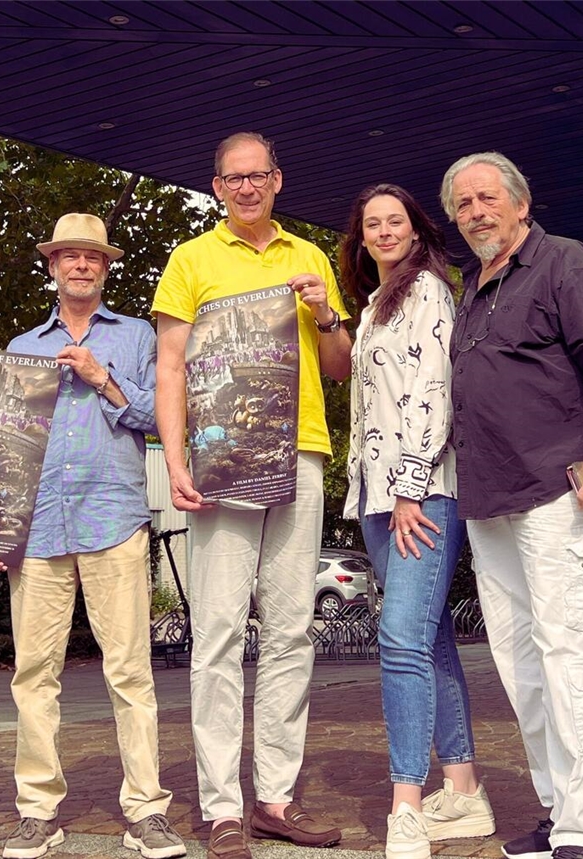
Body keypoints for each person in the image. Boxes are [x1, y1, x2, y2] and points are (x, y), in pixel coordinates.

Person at [152, 131, 351, 859]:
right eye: (232, 178)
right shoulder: (190, 260)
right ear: (215, 186)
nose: (245, 187)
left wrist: (326, 311)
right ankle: (220, 808)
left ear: (277, 179)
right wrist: (174, 461)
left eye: (256, 175)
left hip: (300, 452)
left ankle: (274, 797)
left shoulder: (309, 255)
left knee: (294, 629)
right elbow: (169, 369)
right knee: (218, 634)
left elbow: (338, 366)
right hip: (221, 460)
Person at [439, 152, 583, 859]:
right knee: (522, 664)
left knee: (572, 655)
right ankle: (560, 808)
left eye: (488, 198)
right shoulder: (473, 285)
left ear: (521, 203)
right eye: (463, 205)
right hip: (492, 502)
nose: (476, 213)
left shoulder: (565, 263)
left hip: (560, 492)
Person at [0, 213, 185, 859]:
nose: (81, 266)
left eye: (92, 257)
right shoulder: (22, 344)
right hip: (41, 528)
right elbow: (9, 444)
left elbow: (161, 418)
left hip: (113, 519)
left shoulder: (137, 336)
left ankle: (147, 810)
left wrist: (104, 378)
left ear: (106, 268)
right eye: (69, 256)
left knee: (131, 671)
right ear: (52, 266)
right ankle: (37, 812)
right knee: (33, 674)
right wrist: (1, 525)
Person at [338, 184, 496, 859]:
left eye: (394, 220)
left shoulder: (429, 289)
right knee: (428, 641)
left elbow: (433, 393)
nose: (383, 231)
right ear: (361, 236)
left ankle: (407, 802)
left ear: (415, 229)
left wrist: (408, 489)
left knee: (400, 638)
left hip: (421, 491)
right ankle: (461, 790)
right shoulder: (375, 305)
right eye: (371, 223)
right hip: (378, 496)